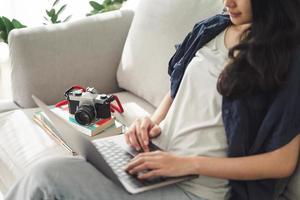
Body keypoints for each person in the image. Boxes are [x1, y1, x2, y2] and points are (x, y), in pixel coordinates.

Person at [5, 0, 300, 199]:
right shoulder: (212, 28)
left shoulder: (285, 56)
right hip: (153, 162)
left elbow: (282, 163)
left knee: (48, 179)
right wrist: (150, 123)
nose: (228, 1)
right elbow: (178, 92)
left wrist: (187, 164)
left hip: (194, 188)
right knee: (53, 170)